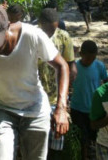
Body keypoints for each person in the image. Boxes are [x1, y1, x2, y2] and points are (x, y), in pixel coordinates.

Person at [0, 4, 70, 160]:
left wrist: (61, 108)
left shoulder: (32, 35)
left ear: (8, 26)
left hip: (35, 107)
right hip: (1, 108)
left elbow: (62, 66)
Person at [37, 8, 76, 159]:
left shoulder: (63, 36)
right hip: (37, 96)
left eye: (54, 30)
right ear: (40, 24)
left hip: (56, 97)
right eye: (49, 30)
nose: (51, 34)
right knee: (39, 140)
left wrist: (67, 92)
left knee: (56, 141)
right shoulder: (34, 36)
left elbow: (70, 64)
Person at [70, 40, 108, 160]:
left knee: (94, 136)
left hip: (94, 109)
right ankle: (83, 156)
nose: (90, 61)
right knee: (81, 137)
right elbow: (68, 84)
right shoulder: (75, 67)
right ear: (81, 54)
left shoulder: (99, 66)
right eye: (88, 59)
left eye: (93, 59)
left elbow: (107, 82)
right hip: (77, 108)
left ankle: (93, 154)